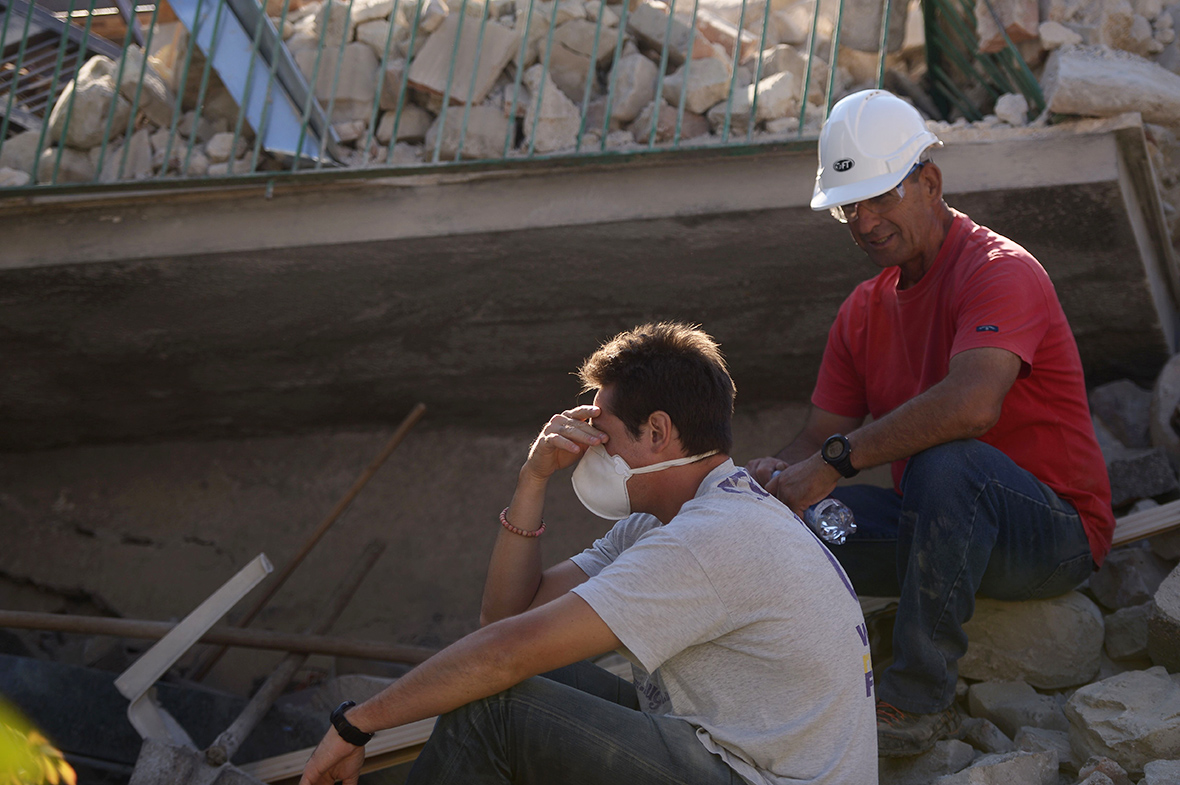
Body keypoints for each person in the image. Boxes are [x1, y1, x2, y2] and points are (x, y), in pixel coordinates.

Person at [301, 322, 877, 785]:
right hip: (722, 751)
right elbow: (505, 618)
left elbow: (507, 649)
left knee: (494, 707)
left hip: (755, 775)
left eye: (603, 431)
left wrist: (356, 724)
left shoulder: (711, 538)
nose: (589, 448)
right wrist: (532, 479)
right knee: (493, 681)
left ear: (656, 432)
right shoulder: (665, 521)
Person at [746, 90, 1116, 758]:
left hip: (1051, 533)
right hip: (936, 525)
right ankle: (780, 687)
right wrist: (766, 483)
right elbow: (813, 440)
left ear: (930, 182)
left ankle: (919, 698)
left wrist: (832, 460)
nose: (863, 220)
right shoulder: (861, 310)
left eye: (880, 196)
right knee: (790, 524)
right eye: (848, 206)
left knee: (952, 459)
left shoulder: (1001, 270)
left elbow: (972, 405)